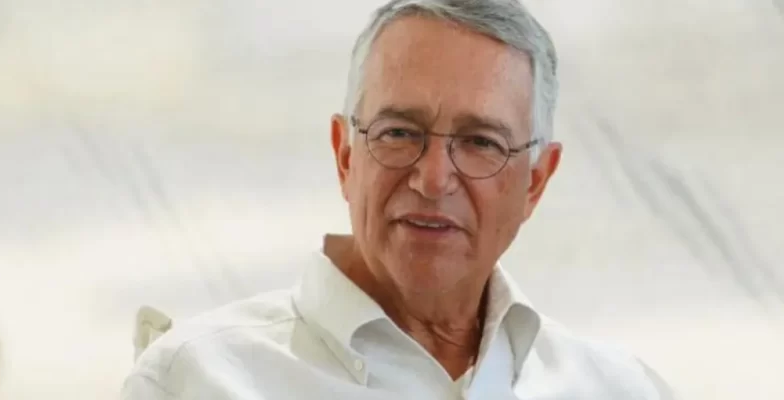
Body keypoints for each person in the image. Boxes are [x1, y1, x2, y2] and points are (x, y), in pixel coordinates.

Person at [122, 0, 677, 398]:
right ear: (345, 156)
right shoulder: (197, 378)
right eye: (399, 133)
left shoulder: (620, 388)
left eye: (481, 142)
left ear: (535, 181)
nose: (433, 179)